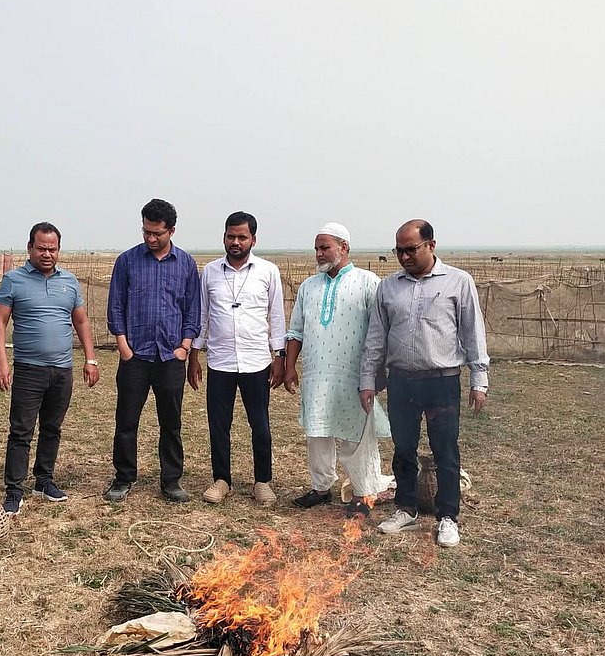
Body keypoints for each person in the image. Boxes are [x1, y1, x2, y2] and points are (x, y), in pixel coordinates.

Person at [359, 219, 490, 547]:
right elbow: (376, 338)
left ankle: (448, 515)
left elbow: (473, 334)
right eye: (398, 251)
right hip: (402, 380)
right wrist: (368, 380)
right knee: (403, 448)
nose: (404, 257)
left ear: (431, 245)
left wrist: (479, 379)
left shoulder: (458, 282)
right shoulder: (388, 288)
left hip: (442, 380)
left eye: (410, 250)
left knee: (445, 448)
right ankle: (406, 508)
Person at [283, 223, 394, 513]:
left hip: (355, 376)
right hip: (317, 374)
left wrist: (376, 374)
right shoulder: (309, 286)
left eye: (325, 248)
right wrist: (290, 366)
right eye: (316, 249)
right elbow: (296, 331)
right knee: (317, 433)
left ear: (343, 248)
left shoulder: (369, 282)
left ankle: (363, 492)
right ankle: (321, 488)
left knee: (357, 436)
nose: (319, 254)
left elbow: (380, 333)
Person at [0, 222, 100, 515]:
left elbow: (81, 322)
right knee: (21, 430)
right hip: (29, 368)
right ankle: (14, 489)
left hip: (62, 370)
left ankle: (44, 480)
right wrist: (1, 362)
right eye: (41, 248)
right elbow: (0, 322)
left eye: (52, 249)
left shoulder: (70, 282)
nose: (47, 254)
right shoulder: (13, 280)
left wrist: (90, 359)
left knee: (52, 428)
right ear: (30, 248)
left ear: (58, 250)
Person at [104, 198, 200, 503]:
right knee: (126, 420)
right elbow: (116, 306)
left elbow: (192, 310)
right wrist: (123, 346)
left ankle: (171, 480)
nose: (150, 238)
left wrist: (184, 347)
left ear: (171, 230)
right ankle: (123, 477)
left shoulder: (185, 264)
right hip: (135, 355)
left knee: (171, 422)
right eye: (146, 231)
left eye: (157, 233)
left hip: (171, 356)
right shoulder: (127, 261)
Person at [187, 211, 285, 506]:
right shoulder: (211, 272)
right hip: (220, 362)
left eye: (242, 237)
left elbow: (277, 316)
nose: (236, 242)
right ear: (224, 237)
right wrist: (194, 355)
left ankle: (262, 481)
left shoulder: (268, 271)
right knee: (219, 424)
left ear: (253, 239)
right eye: (231, 236)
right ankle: (221, 480)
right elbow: (202, 315)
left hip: (257, 361)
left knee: (261, 425)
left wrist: (279, 355)